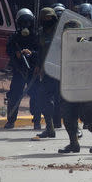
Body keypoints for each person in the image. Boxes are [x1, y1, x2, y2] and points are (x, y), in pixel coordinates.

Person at [58, 20, 92, 154]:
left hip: (86, 84)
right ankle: (73, 143)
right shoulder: (63, 43)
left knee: (89, 116)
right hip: (69, 85)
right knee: (68, 115)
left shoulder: (86, 42)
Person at [4, 8, 41, 130]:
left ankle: (36, 121)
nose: (26, 24)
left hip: (33, 72)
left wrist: (32, 53)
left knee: (36, 95)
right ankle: (11, 120)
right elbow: (8, 50)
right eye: (23, 21)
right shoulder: (14, 37)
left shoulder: (36, 36)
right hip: (18, 71)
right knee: (14, 95)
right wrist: (16, 54)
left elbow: (41, 52)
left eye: (28, 21)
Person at [34, 8, 60, 139]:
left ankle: (75, 129)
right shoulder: (41, 33)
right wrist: (38, 66)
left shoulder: (61, 31)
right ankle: (50, 128)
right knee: (44, 99)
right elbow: (40, 51)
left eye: (49, 18)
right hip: (47, 71)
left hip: (61, 70)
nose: (47, 20)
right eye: (44, 18)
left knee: (65, 100)